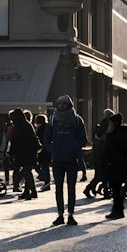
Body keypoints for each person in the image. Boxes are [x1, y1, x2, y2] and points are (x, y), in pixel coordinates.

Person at [43, 94, 88, 226]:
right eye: (60, 103)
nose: (62, 105)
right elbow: (46, 137)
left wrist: (73, 148)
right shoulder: (52, 120)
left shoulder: (77, 119)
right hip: (57, 159)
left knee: (71, 188)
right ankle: (60, 214)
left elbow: (83, 139)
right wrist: (52, 149)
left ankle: (71, 214)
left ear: (69, 105)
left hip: (71, 159)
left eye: (64, 103)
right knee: (58, 188)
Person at [101, 112, 127, 220]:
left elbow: (110, 149)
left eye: (110, 123)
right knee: (116, 188)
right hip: (120, 165)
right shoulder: (122, 133)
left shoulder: (115, 135)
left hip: (116, 165)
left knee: (116, 188)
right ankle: (117, 209)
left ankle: (117, 210)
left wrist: (109, 134)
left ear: (113, 123)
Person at [83, 109, 114, 198]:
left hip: (100, 156)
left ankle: (105, 192)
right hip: (101, 155)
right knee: (100, 175)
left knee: (103, 175)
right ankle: (89, 189)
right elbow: (105, 140)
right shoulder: (106, 127)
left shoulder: (102, 126)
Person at [9, 108, 39, 199]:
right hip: (30, 152)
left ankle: (30, 192)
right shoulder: (27, 124)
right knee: (27, 172)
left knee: (27, 172)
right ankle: (31, 191)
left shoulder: (20, 126)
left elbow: (15, 141)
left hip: (24, 153)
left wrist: (11, 152)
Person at [32, 112, 50, 190]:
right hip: (48, 150)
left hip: (43, 151)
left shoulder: (40, 129)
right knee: (46, 166)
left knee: (44, 166)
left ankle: (46, 182)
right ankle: (46, 181)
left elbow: (37, 140)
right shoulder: (48, 127)